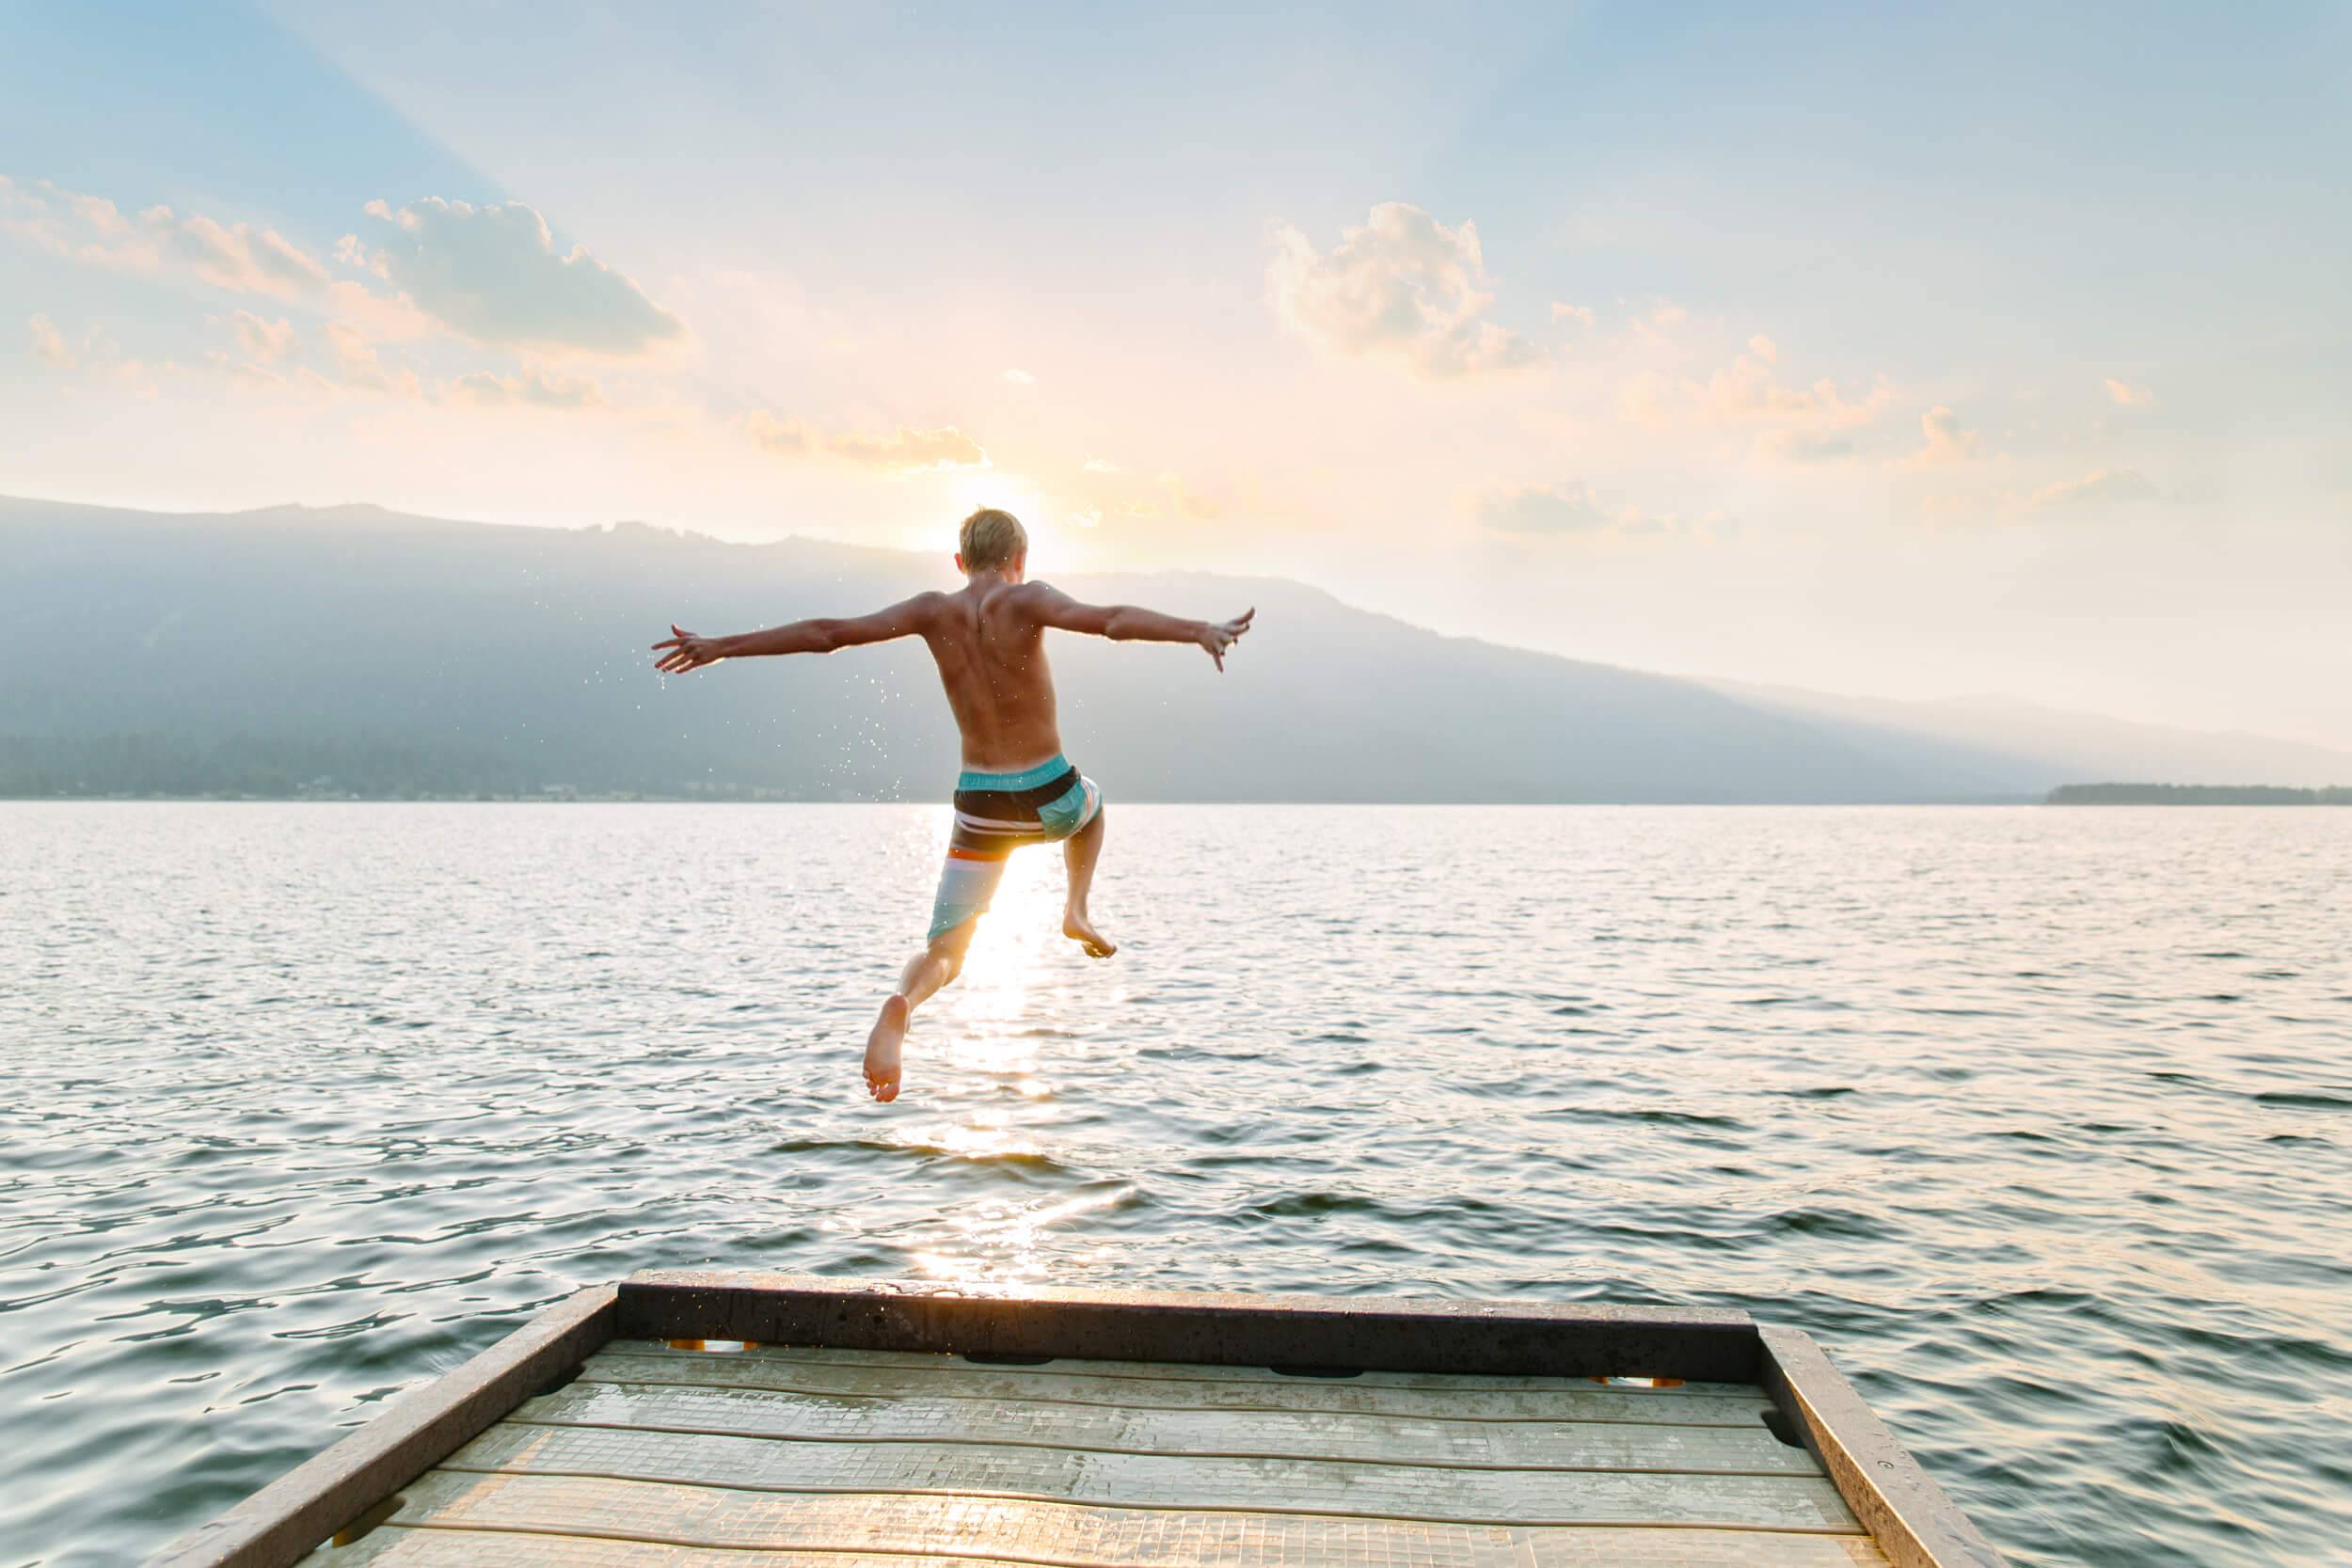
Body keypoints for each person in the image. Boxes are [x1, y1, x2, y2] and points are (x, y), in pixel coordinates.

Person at [653, 507, 1253, 1101]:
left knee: (946, 950)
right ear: (1020, 559)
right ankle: (1077, 909)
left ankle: (904, 1004)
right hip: (1048, 789)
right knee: (1091, 809)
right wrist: (1197, 629)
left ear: (960, 562)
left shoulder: (929, 611)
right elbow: (1113, 621)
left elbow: (826, 635)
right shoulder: (1028, 599)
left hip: (979, 803)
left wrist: (722, 646)